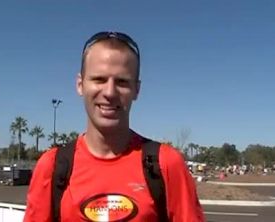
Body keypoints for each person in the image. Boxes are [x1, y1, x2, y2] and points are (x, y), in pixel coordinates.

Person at [24, 31, 205, 222]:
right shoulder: (52, 167)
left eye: (122, 82)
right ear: (80, 84)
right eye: (99, 79)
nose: (110, 92)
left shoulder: (166, 164)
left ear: (137, 89)